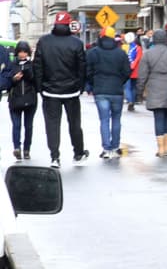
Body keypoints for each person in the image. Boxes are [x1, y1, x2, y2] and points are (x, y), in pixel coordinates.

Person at [34, 12, 88, 169]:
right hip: (71, 91)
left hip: (50, 91)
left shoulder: (44, 42)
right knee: (75, 124)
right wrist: (80, 86)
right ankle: (78, 153)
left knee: (52, 125)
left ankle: (55, 157)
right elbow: (82, 67)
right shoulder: (76, 43)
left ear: (55, 24)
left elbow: (38, 66)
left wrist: (40, 87)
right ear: (68, 24)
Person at [136, 29, 167, 157]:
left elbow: (142, 75)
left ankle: (161, 148)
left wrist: (139, 91)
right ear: (166, 39)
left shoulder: (148, 54)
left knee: (158, 116)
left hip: (154, 86)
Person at [86, 27, 132, 159]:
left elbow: (88, 72)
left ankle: (106, 149)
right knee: (116, 119)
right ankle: (115, 147)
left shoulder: (93, 52)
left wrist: (93, 84)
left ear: (100, 37)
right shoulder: (121, 53)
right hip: (116, 90)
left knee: (104, 120)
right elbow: (127, 72)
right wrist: (120, 82)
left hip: (100, 90)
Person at [3, 42, 37, 159]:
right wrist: (13, 79)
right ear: (17, 52)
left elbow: (36, 80)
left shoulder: (32, 64)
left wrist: (28, 72)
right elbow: (6, 82)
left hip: (30, 99)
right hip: (15, 99)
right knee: (16, 125)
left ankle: (27, 149)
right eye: (20, 52)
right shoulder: (12, 64)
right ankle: (17, 148)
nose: (22, 54)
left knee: (28, 126)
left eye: (25, 52)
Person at [124, 32, 141, 111]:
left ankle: (130, 101)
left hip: (126, 69)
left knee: (127, 87)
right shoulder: (138, 48)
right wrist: (133, 66)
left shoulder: (124, 47)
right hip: (136, 70)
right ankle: (132, 102)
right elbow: (138, 59)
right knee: (133, 87)